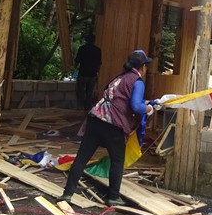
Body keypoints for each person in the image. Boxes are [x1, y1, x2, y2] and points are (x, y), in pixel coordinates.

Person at [60, 49, 158, 205]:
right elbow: (135, 105)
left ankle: (67, 194)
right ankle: (113, 197)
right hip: (114, 126)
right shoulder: (138, 82)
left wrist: (145, 102)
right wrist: (149, 109)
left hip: (95, 120)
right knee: (117, 161)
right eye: (146, 65)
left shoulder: (120, 77)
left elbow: (121, 98)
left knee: (81, 159)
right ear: (143, 67)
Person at [74, 33, 102, 110]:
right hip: (92, 74)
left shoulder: (82, 49)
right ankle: (87, 109)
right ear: (94, 41)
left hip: (83, 73)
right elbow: (99, 63)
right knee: (89, 93)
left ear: (86, 40)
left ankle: (80, 108)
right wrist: (97, 73)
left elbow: (77, 61)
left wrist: (74, 68)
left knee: (80, 91)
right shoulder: (97, 50)